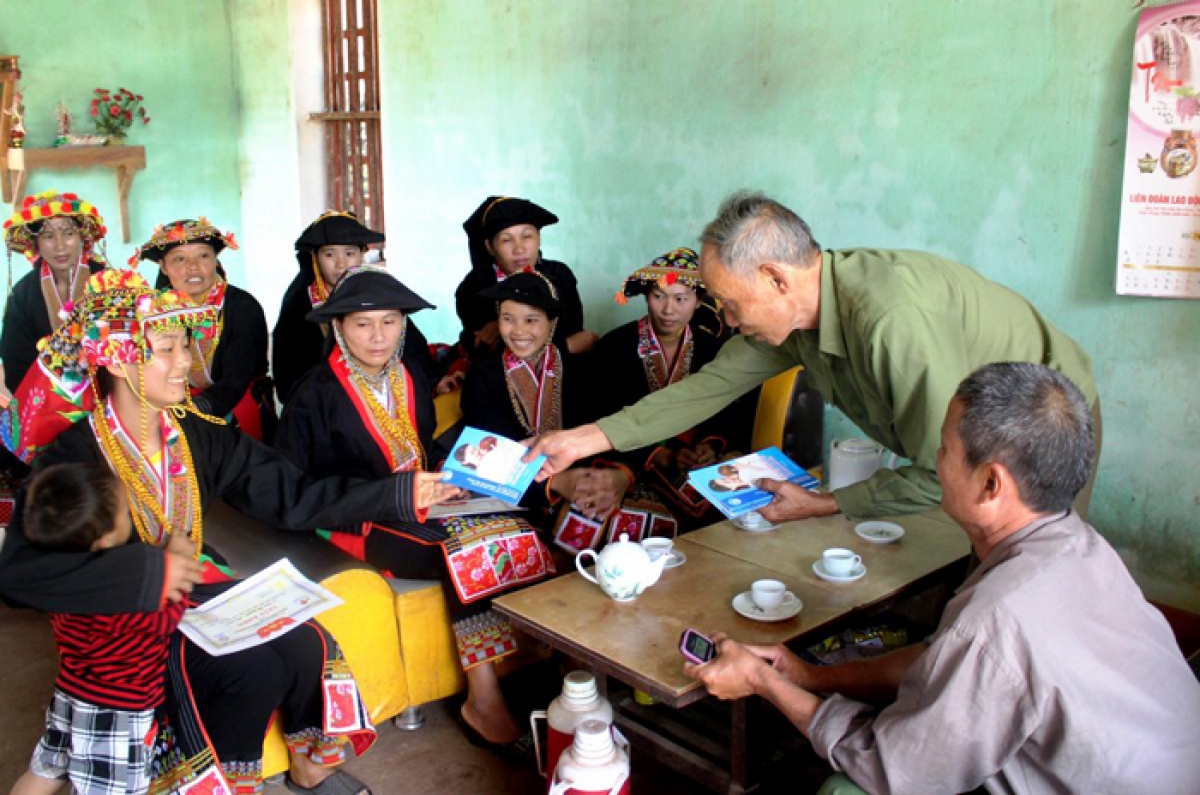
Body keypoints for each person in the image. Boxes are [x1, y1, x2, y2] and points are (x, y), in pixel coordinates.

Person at [0, 269, 460, 795]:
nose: (188, 365)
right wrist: (152, 570)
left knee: (306, 638)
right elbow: (17, 574)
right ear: (121, 360)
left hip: (195, 585)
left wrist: (398, 494)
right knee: (252, 669)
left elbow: (292, 494)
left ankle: (309, 766)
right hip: (126, 621)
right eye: (167, 350)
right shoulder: (72, 454)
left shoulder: (197, 433)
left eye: (185, 347)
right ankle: (220, 782)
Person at [685, 362, 1200, 793]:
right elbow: (946, 661)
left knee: (845, 788)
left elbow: (891, 768)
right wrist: (806, 675)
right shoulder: (1082, 548)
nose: (934, 462)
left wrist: (762, 683)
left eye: (945, 451)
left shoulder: (996, 619)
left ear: (991, 482)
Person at [525, 191, 1100, 522]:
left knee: (1012, 579)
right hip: (967, 447)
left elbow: (932, 472)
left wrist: (823, 504)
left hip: (1045, 425)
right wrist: (587, 439)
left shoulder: (887, 321)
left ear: (775, 278)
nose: (724, 319)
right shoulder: (793, 317)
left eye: (728, 302)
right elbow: (707, 387)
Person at [274, 265, 553, 758]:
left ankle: (535, 668)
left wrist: (451, 480)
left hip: (418, 505)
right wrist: (399, 493)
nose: (378, 336)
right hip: (350, 521)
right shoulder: (312, 394)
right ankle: (482, 699)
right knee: (464, 550)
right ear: (339, 328)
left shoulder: (410, 376)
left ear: (404, 324)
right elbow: (297, 491)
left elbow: (417, 450)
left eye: (389, 321)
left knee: (513, 526)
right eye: (362, 324)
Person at [461, 271, 674, 552]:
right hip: (519, 492)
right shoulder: (483, 377)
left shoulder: (580, 369)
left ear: (551, 323)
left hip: (582, 482)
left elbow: (615, 425)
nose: (518, 331)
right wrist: (557, 482)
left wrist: (620, 476)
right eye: (508, 319)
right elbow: (483, 457)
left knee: (647, 522)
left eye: (531, 320)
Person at [10, 463, 188, 795]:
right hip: (117, 710)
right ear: (105, 537)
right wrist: (176, 568)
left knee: (47, 769)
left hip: (71, 692)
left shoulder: (61, 579)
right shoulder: (125, 592)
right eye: (125, 510)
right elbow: (165, 621)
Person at [588, 247, 753, 528]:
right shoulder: (614, 347)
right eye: (658, 296)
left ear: (698, 300)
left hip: (691, 457)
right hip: (635, 454)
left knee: (734, 501)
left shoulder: (712, 348)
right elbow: (601, 410)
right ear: (646, 297)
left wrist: (709, 446)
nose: (668, 310)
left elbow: (727, 408)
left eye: (681, 299)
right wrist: (661, 456)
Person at [272, 210, 444, 405]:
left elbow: (412, 351)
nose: (341, 263)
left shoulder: (378, 295)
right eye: (329, 254)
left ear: (363, 253)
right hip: (323, 408)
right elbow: (288, 376)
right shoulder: (299, 306)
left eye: (350, 253)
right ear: (315, 258)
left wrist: (434, 383)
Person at [139, 217, 276, 440]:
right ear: (163, 267)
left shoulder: (243, 307)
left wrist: (193, 410)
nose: (192, 267)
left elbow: (238, 377)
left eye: (203, 256)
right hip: (173, 406)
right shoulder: (153, 312)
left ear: (215, 260)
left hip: (238, 403)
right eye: (179, 259)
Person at [454, 196, 597, 360]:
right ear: (490, 247)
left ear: (539, 238)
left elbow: (577, 336)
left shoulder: (560, 275)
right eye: (506, 240)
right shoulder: (474, 288)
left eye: (527, 236)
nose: (519, 249)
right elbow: (486, 353)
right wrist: (564, 346)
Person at [0, 190, 108, 399]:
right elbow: (15, 359)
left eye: (68, 234)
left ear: (82, 237)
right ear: (36, 243)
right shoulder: (23, 294)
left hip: (107, 399)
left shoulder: (107, 281)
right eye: (48, 236)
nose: (60, 246)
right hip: (47, 402)